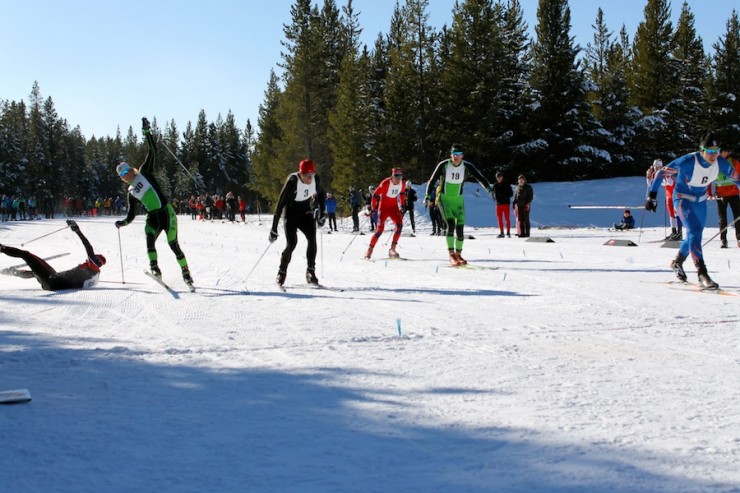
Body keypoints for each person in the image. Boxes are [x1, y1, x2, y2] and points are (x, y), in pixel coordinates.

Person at [645, 132, 740, 289]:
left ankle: (678, 261)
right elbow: (662, 172)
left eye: (716, 151)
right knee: (695, 230)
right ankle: (702, 273)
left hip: (700, 202)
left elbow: (736, 179)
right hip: (683, 199)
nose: (713, 155)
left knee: (694, 235)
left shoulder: (720, 163)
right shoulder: (688, 161)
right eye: (709, 151)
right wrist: (652, 196)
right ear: (702, 150)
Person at [115, 117, 193, 287]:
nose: (126, 175)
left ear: (131, 169)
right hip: (153, 217)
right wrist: (123, 222)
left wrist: (147, 132)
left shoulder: (145, 172)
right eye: (123, 175)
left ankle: (186, 273)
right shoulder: (131, 192)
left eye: (127, 170)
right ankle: (155, 269)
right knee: (149, 239)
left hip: (166, 213)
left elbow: (153, 151)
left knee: (174, 245)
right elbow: (131, 214)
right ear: (121, 178)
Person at [425, 144, 493, 266]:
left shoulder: (467, 166)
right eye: (454, 155)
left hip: (458, 200)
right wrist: (427, 196)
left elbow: (480, 177)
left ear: (462, 155)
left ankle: (458, 254)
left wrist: (489, 189)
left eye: (458, 155)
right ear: (451, 155)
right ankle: (451, 255)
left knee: (460, 228)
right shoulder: (444, 165)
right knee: (450, 224)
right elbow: (433, 179)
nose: (456, 157)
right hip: (444, 199)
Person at [0, 220, 106, 290]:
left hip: (52, 280)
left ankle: (1, 248)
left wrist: (78, 231)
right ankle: (9, 272)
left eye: (92, 258)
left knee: (26, 255)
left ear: (96, 260)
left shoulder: (93, 266)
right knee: (35, 272)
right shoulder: (94, 276)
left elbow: (88, 247)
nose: (87, 260)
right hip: (53, 283)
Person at [269, 159, 326, 286]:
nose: (309, 179)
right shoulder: (293, 181)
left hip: (306, 212)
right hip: (291, 212)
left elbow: (321, 194)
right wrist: (274, 228)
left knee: (312, 238)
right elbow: (279, 205)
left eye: (311, 175)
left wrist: (323, 214)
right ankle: (282, 271)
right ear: (301, 173)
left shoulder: (316, 179)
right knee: (292, 243)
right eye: (306, 176)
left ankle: (310, 271)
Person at [364, 168, 407, 259]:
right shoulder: (386, 183)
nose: (398, 178)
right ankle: (370, 250)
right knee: (379, 230)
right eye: (396, 176)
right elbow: (375, 195)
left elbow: (402, 194)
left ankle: (392, 249)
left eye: (400, 176)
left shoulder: (402, 183)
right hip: (383, 208)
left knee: (399, 226)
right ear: (392, 176)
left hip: (394, 208)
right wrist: (373, 208)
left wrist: (403, 205)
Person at [708, 148, 740, 248]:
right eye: (721, 152)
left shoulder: (734, 162)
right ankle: (723, 240)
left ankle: (739, 238)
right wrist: (709, 193)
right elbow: (709, 178)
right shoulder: (714, 163)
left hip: (733, 193)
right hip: (721, 194)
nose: (723, 153)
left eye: (725, 151)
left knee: (737, 217)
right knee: (722, 219)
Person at [492, 171, 513, 237]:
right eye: (497, 177)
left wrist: (504, 197)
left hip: (506, 204)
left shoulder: (507, 184)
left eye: (500, 177)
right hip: (498, 204)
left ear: (502, 177)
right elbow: (493, 193)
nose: (499, 178)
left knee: (507, 218)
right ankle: (501, 232)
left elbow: (511, 193)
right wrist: (494, 198)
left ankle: (508, 232)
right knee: (499, 218)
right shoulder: (495, 185)